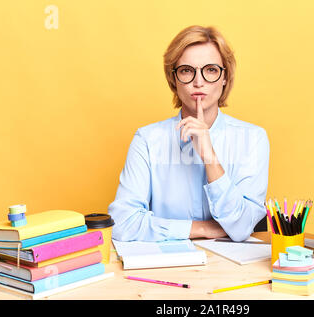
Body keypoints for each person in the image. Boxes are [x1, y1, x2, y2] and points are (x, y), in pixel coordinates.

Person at [108, 25, 270, 242]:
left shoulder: (253, 139)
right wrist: (202, 228)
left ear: (225, 77)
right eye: (186, 70)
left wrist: (209, 156)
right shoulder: (147, 139)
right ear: (174, 79)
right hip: (167, 267)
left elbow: (241, 227)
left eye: (211, 69)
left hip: (233, 271)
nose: (198, 81)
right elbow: (122, 223)